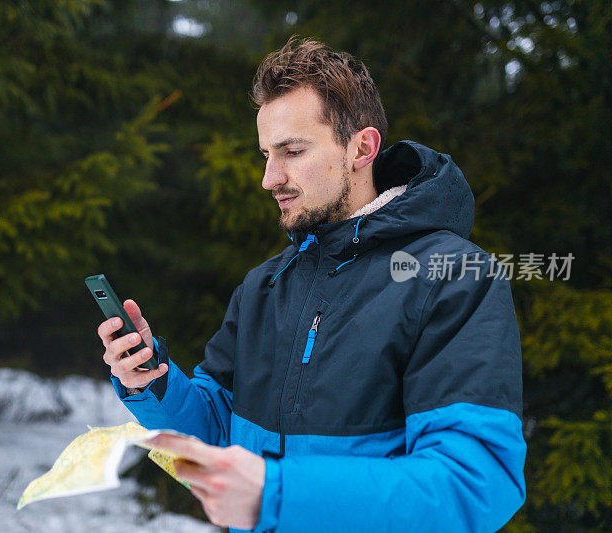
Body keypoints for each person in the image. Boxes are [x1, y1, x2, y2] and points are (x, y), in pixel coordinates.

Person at [97, 36, 526, 533]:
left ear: (362, 148)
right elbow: (221, 432)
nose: (269, 178)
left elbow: (475, 483)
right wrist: (156, 384)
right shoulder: (264, 287)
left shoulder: (450, 278)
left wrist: (277, 493)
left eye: (292, 151)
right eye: (265, 154)